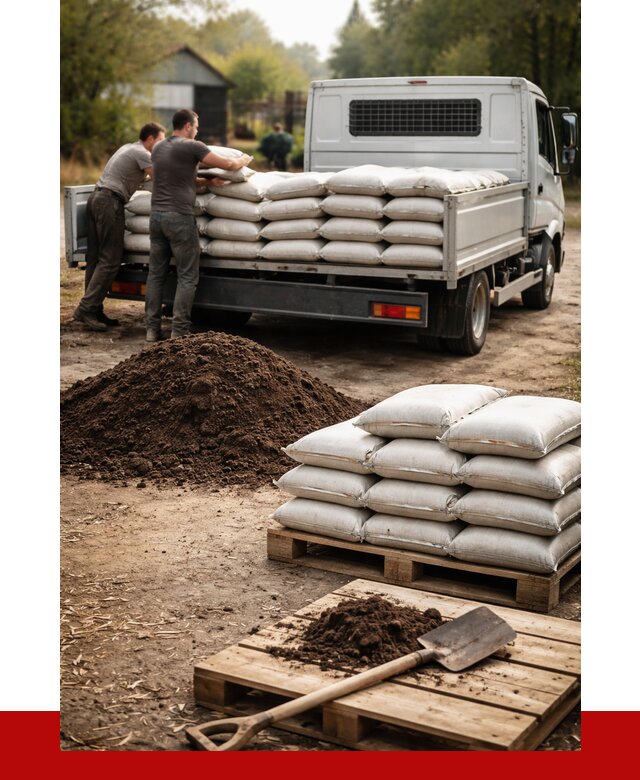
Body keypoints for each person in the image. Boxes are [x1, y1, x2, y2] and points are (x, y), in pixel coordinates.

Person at [144, 109, 253, 342]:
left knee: (155, 275)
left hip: (156, 217)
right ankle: (179, 332)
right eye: (196, 125)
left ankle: (152, 330)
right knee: (187, 276)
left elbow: (178, 177)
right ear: (187, 126)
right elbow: (229, 164)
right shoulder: (193, 146)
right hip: (179, 218)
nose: (197, 129)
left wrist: (206, 181)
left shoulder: (160, 147)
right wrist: (245, 159)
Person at [73, 122, 166, 331]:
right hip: (109, 203)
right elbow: (160, 177)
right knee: (110, 259)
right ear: (150, 139)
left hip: (97, 199)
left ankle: (93, 308)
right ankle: (86, 309)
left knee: (95, 258)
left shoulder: (128, 147)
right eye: (160, 141)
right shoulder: (142, 152)